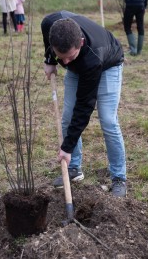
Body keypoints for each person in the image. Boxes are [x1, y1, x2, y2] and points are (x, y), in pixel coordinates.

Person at [41, 10, 127, 197]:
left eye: (70, 57)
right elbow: (49, 35)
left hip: (108, 64)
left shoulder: (92, 57)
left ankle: (119, 177)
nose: (65, 62)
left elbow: (84, 106)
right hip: (82, 65)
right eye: (60, 57)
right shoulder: (51, 24)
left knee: (108, 121)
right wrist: (49, 59)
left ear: (79, 42)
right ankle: (74, 169)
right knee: (66, 118)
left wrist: (66, 147)